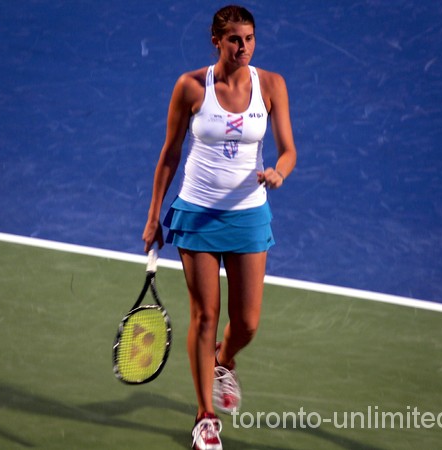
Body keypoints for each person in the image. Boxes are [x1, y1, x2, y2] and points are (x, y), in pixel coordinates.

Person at [141, 5, 297, 449]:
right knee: (205, 314)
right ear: (217, 41)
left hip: (249, 213)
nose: (243, 46)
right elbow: (170, 154)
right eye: (234, 39)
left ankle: (224, 362)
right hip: (199, 212)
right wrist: (154, 215)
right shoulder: (191, 86)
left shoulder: (272, 86)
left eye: (249, 38)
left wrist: (280, 173)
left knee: (246, 323)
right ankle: (204, 418)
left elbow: (288, 150)